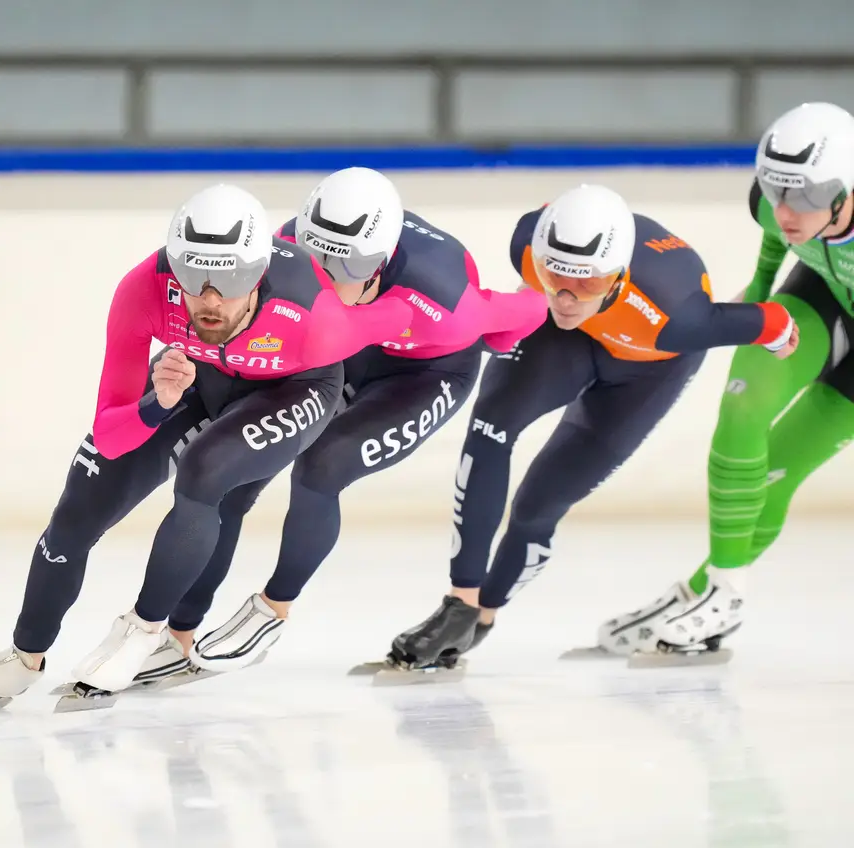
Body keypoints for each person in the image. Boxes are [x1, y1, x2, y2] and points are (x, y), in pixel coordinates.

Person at [0, 182, 414, 706]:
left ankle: (145, 631)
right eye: (194, 276)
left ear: (259, 272)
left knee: (204, 472)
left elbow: (400, 317)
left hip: (294, 388)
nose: (210, 299)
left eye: (231, 279)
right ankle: (24, 655)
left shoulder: (315, 313)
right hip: (191, 376)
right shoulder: (143, 288)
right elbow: (109, 432)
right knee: (76, 512)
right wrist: (156, 404)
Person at [128, 166, 549, 681]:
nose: (325, 276)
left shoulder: (447, 300)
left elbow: (527, 311)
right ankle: (179, 634)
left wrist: (494, 343)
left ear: (380, 263)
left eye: (345, 266)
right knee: (232, 478)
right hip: (340, 356)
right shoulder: (282, 243)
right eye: (316, 256)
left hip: (427, 373)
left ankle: (273, 608)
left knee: (321, 469)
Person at [375, 181, 802, 671]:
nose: (567, 297)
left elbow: (773, 321)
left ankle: (483, 617)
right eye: (553, 274)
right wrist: (552, 288)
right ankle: (459, 605)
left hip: (648, 370)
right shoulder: (528, 243)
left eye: (588, 285)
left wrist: (778, 334)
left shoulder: (680, 316)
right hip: (565, 342)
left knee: (538, 504)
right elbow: (559, 276)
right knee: (490, 429)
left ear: (618, 278)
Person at [599, 101, 854, 657]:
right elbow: (774, 239)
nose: (789, 211)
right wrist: (760, 293)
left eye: (808, 197)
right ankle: (725, 592)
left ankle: (698, 589)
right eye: (777, 189)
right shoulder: (773, 204)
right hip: (822, 299)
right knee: (743, 407)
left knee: (776, 477)